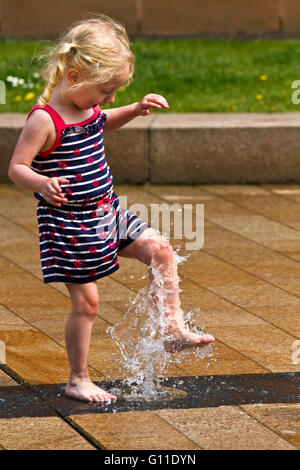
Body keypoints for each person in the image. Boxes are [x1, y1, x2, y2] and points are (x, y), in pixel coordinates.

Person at [8, 13, 215, 403]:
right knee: (88, 302)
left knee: (161, 250)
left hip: (107, 213)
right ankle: (78, 378)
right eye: (107, 90)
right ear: (74, 77)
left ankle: (172, 329)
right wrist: (41, 182)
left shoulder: (87, 108)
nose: (110, 99)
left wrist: (134, 109)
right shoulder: (44, 120)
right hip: (69, 224)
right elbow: (16, 167)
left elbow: (104, 121)